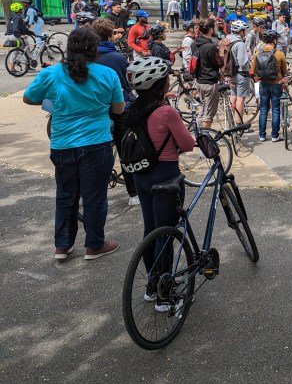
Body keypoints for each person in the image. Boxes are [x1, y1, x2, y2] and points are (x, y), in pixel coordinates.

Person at [22, 27, 125, 260]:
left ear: (69, 48)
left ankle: (63, 245)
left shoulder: (52, 73)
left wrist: (54, 101)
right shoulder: (107, 74)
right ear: (95, 49)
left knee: (66, 195)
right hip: (96, 142)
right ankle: (94, 245)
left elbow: (29, 98)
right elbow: (119, 109)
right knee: (94, 196)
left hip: (62, 143)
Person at [125, 57, 196, 311]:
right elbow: (188, 144)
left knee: (151, 230)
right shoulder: (166, 111)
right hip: (166, 176)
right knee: (165, 234)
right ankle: (165, 296)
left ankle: (152, 284)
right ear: (159, 84)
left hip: (141, 176)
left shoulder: (134, 108)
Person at [90, 18, 138, 206]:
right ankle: (133, 193)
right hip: (118, 109)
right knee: (125, 150)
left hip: (95, 109)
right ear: (110, 36)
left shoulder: (88, 56)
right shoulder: (116, 58)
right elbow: (127, 83)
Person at [251, 29, 289, 142]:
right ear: (274, 41)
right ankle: (274, 135)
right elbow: (284, 70)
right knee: (275, 110)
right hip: (276, 84)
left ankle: (262, 135)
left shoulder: (258, 53)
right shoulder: (279, 53)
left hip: (263, 84)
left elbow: (253, 70)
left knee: (263, 109)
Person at [193, 19, 222, 129]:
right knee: (209, 114)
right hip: (210, 82)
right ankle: (205, 136)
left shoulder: (195, 44)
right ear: (211, 30)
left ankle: (200, 132)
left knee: (202, 110)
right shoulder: (210, 47)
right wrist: (222, 50)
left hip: (199, 80)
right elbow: (219, 63)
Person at [226, 20, 252, 124]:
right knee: (240, 99)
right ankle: (239, 123)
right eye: (244, 30)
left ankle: (230, 121)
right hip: (241, 74)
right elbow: (242, 62)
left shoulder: (227, 40)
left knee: (233, 96)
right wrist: (248, 56)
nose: (245, 32)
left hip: (230, 73)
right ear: (241, 31)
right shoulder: (240, 44)